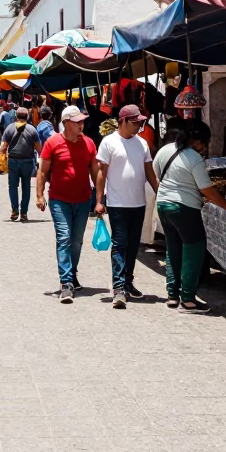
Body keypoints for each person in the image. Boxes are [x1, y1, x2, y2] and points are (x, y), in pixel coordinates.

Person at [153, 118, 226, 313]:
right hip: (184, 208)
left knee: (173, 249)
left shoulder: (165, 150)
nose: (205, 148)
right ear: (197, 141)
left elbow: (155, 171)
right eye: (204, 143)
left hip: (164, 205)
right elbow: (207, 189)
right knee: (194, 248)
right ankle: (188, 299)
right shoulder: (194, 158)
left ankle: (172, 294)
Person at [95, 105, 159, 307]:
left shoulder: (142, 144)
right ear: (123, 121)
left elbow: (149, 172)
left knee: (133, 247)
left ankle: (128, 282)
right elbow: (101, 173)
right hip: (117, 204)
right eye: (136, 122)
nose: (139, 126)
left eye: (141, 122)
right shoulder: (109, 142)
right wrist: (99, 200)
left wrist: (160, 192)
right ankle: (119, 287)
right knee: (119, 245)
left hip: (138, 203)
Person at [36, 105, 99, 303]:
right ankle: (66, 283)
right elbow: (42, 171)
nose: (82, 124)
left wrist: (99, 200)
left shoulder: (89, 144)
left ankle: (71, 274)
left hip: (83, 199)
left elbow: (95, 172)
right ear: (66, 123)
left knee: (77, 240)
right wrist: (39, 195)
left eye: (82, 121)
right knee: (64, 238)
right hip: (59, 200)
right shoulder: (52, 142)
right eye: (78, 121)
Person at [0, 106, 41, 222]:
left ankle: (14, 210)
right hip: (27, 162)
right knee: (26, 187)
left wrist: (1, 158)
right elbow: (39, 149)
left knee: (13, 186)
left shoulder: (9, 128)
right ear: (27, 117)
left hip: (13, 161)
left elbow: (3, 147)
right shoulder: (32, 129)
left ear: (16, 116)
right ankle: (24, 213)